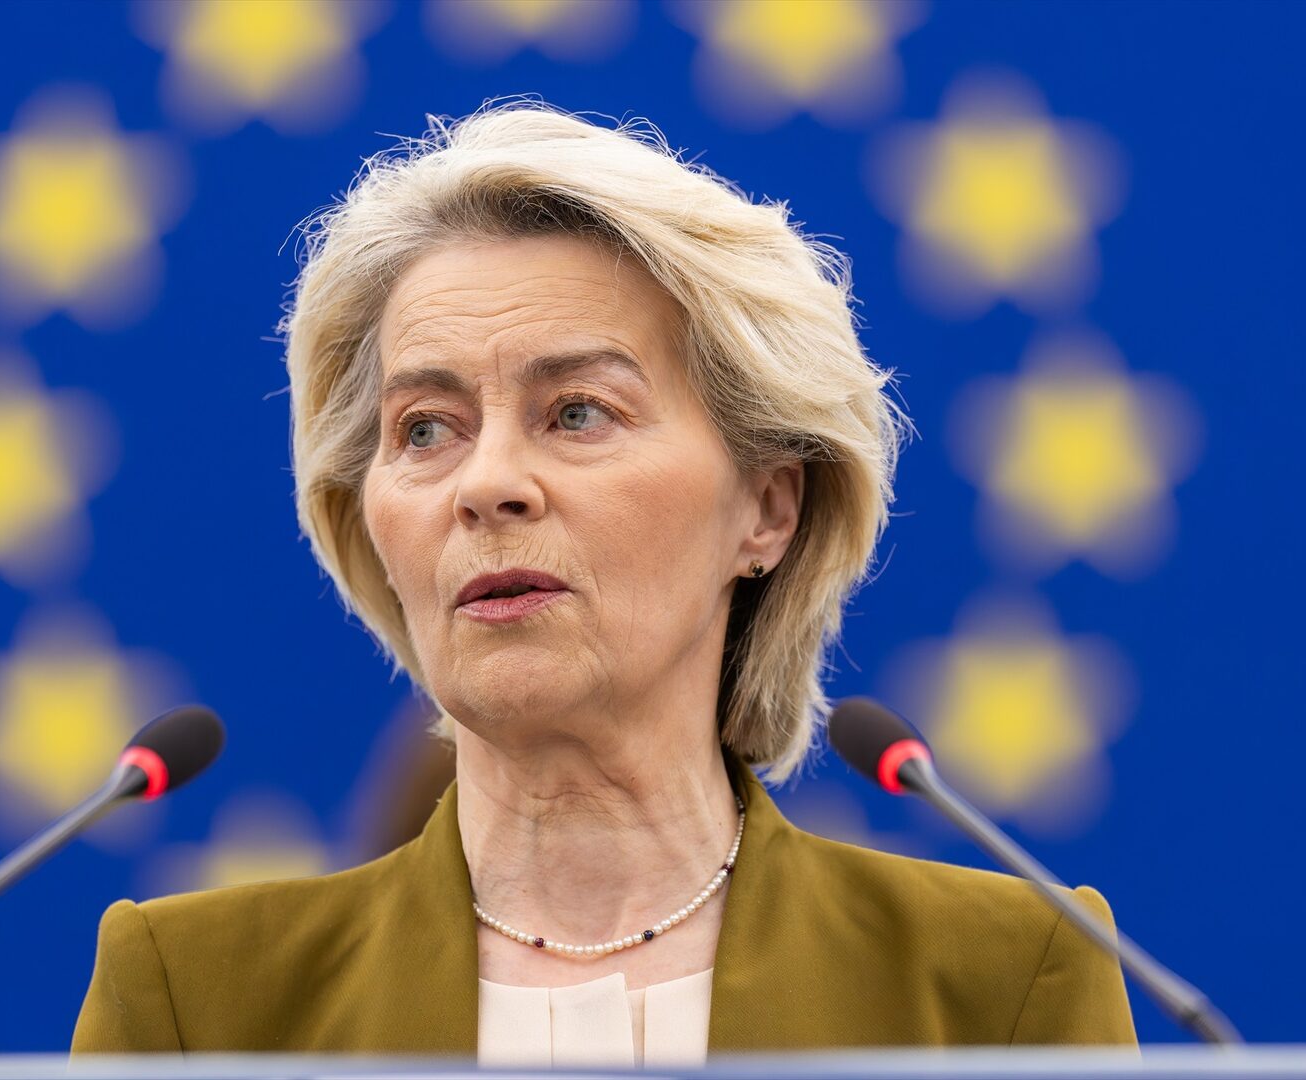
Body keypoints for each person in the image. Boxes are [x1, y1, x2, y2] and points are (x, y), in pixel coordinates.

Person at [72, 101, 1136, 1068]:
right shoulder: (200, 1006)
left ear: (767, 507)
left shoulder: (1001, 983)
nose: (485, 485)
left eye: (577, 412)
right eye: (425, 429)